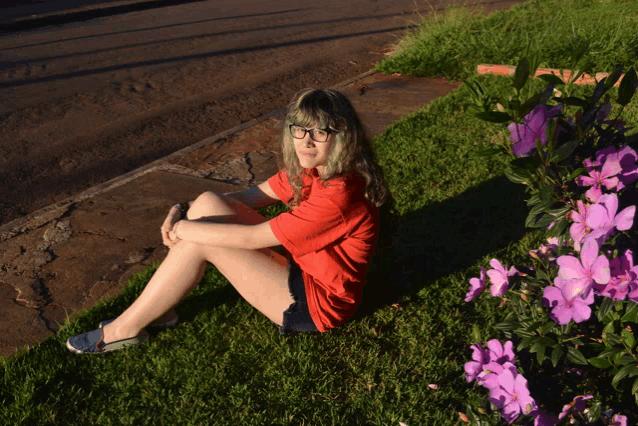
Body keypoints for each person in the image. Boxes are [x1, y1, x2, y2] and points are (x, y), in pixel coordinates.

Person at [66, 88, 389, 354]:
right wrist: (181, 208)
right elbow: (247, 198)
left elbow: (253, 239)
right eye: (299, 129)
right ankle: (159, 309)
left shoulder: (339, 194)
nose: (306, 141)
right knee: (207, 202)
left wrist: (184, 229)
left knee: (199, 239)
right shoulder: (313, 170)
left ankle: (125, 329)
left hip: (319, 305)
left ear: (343, 136)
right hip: (303, 270)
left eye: (321, 132)